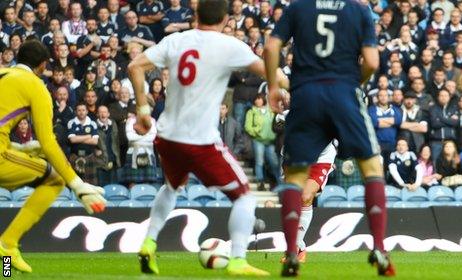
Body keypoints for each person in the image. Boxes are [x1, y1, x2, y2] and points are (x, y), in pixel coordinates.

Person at [128, 0, 287, 276]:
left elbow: (134, 66)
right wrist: (283, 87)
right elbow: (274, 74)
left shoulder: (176, 40)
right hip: (199, 141)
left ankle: (149, 242)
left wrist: (143, 111)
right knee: (245, 197)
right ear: (226, 19)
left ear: (195, 15)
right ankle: (237, 260)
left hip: (167, 137)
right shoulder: (229, 46)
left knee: (171, 187)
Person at [264, 0, 396, 275]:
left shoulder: (298, 8)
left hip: (306, 95)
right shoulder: (359, 10)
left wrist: (273, 87)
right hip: (344, 94)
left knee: (295, 178)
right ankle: (379, 248)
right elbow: (372, 61)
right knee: (372, 168)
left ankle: (291, 251)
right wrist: (353, 83)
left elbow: (270, 47)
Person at [0, 40, 106, 273]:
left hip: (4, 150)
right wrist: (76, 184)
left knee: (4, 269)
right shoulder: (36, 86)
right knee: (54, 180)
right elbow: (48, 142)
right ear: (42, 65)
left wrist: (20, 150)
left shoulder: (3, 73)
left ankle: (5, 270)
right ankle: (7, 245)